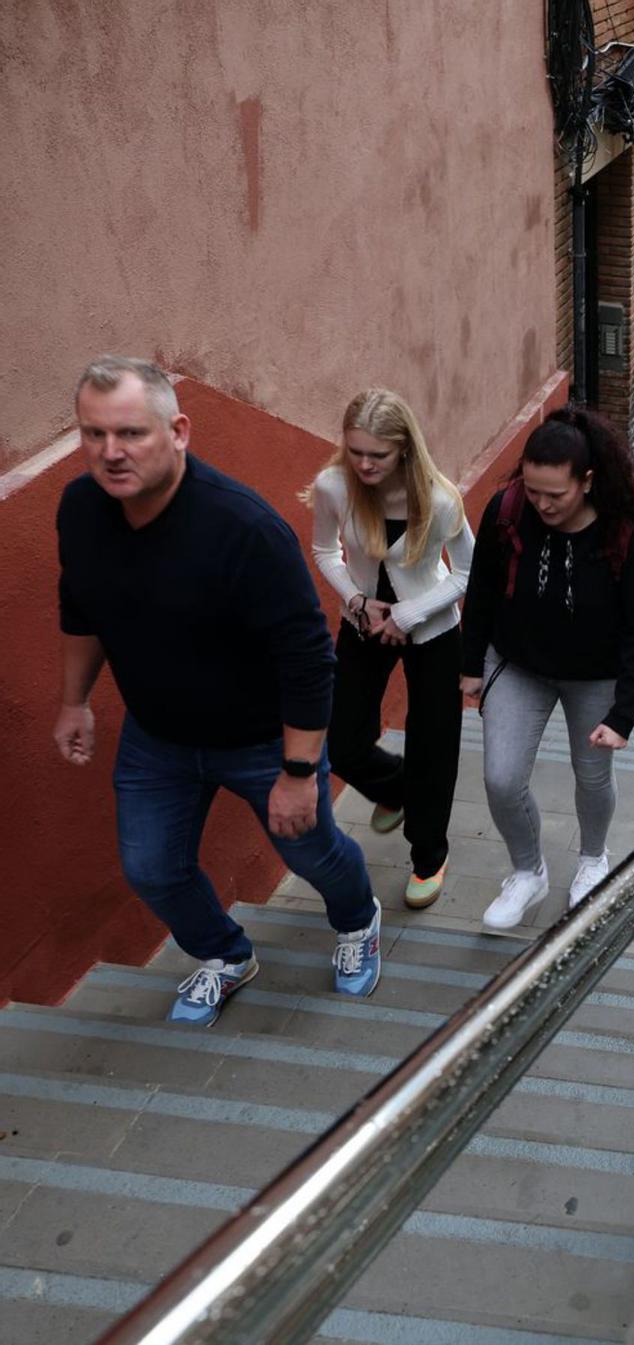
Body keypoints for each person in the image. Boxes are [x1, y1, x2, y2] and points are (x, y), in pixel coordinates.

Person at [54, 356, 382, 1027]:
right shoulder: (81, 509)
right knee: (151, 867)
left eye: (130, 433)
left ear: (178, 431)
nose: (111, 452)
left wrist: (297, 774)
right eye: (94, 433)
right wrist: (73, 700)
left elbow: (308, 658)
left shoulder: (244, 528)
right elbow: (82, 608)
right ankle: (225, 954)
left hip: (262, 740)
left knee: (311, 850)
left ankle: (358, 919)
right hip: (158, 738)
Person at [460, 405, 634, 932]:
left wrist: (624, 715)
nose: (543, 504)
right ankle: (528, 872)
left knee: (592, 777)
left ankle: (593, 859)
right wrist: (470, 664)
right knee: (501, 779)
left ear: (587, 481)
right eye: (533, 491)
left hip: (596, 676)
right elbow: (481, 589)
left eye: (556, 494)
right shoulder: (507, 511)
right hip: (517, 665)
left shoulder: (620, 532)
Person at [307, 389, 473, 909]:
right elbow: (325, 550)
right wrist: (357, 601)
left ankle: (429, 856)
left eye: (376, 454)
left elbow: (468, 571)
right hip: (362, 622)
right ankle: (399, 790)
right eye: (355, 451)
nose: (364, 464)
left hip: (433, 629)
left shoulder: (439, 498)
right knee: (341, 741)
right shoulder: (334, 486)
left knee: (434, 746)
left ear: (403, 448)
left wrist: (408, 613)